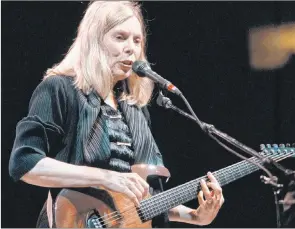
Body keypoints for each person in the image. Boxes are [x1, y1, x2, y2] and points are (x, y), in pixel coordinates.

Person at [8, 1, 224, 228]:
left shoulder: (134, 109)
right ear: (94, 40)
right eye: (120, 37)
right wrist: (106, 177)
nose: (131, 48)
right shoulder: (59, 89)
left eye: (137, 40)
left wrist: (194, 216)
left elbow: (132, 206)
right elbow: (24, 163)